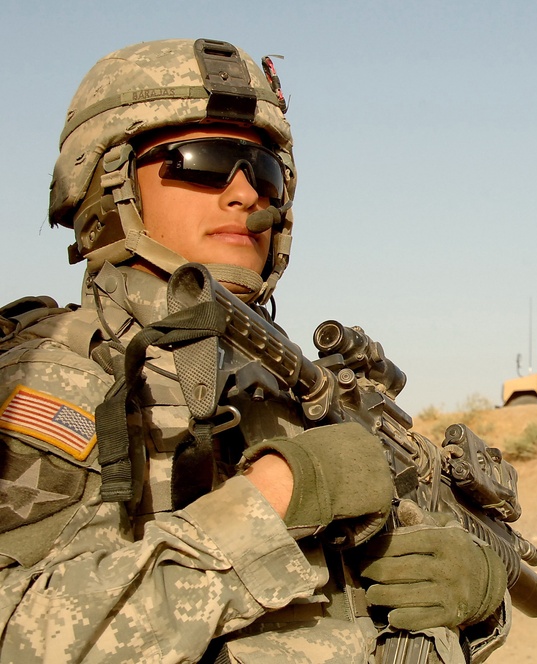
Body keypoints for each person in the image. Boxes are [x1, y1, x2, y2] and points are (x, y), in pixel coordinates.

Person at [0, 39, 508, 663]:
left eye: (263, 173)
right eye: (200, 162)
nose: (245, 196)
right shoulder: (56, 374)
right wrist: (269, 502)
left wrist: (479, 600)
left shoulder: (292, 387)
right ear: (108, 184)